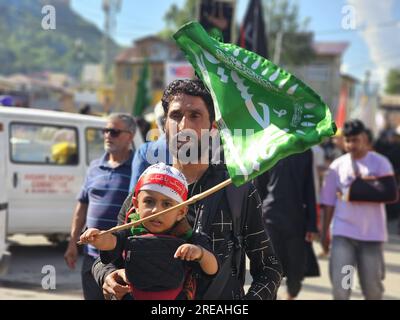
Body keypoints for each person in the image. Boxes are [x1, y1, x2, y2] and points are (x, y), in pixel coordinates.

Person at [92, 79, 283, 300]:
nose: (184, 126)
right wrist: (107, 276)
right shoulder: (146, 189)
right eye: (175, 116)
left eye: (195, 116)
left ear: (212, 127)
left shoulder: (236, 190)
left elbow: (269, 268)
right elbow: (108, 255)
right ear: (164, 125)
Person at [80, 163, 218, 300]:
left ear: (181, 212)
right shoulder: (131, 232)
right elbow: (112, 241)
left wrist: (200, 253)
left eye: (167, 204)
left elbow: (212, 270)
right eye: (149, 201)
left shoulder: (190, 238)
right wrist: (98, 238)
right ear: (136, 205)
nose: (156, 210)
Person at [320, 119, 397, 300]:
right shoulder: (337, 167)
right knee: (342, 288)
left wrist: (355, 191)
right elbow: (329, 203)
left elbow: (390, 193)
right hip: (344, 235)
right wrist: (324, 234)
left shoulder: (380, 163)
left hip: (371, 237)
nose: (351, 145)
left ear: (365, 138)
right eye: (348, 141)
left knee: (372, 290)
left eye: (355, 139)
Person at [64, 113, 136, 300]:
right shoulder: (94, 167)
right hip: (90, 256)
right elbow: (82, 207)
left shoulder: (138, 168)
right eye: (105, 131)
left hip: (117, 259)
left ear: (130, 136)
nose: (107, 136)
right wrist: (72, 243)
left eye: (113, 132)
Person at [254, 149, 320, 300]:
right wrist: (256, 221)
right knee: (271, 269)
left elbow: (309, 189)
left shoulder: (304, 149)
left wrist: (312, 225)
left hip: (296, 220)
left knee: (296, 272)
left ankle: (291, 295)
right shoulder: (269, 147)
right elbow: (259, 186)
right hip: (270, 218)